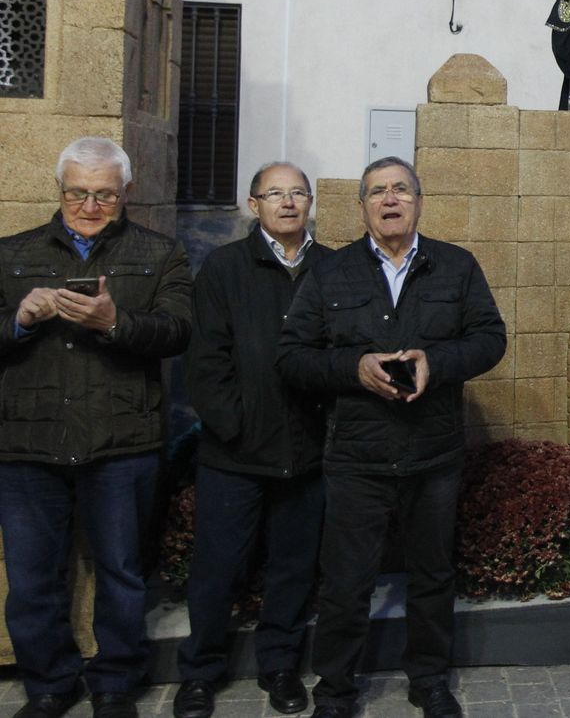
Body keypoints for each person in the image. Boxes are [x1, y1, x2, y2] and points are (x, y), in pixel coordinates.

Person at [277, 157, 505, 718]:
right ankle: (335, 690)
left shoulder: (455, 265)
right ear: (362, 206)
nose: (390, 199)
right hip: (358, 457)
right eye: (377, 191)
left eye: (401, 189)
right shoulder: (330, 273)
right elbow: (292, 357)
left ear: (418, 201)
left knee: (431, 576)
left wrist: (438, 362)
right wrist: (354, 367)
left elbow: (490, 338)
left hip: (434, 454)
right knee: (346, 583)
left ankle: (428, 681)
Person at [0, 137, 194, 718]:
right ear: (59, 191)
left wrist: (116, 322)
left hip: (121, 440)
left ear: (125, 192)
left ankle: (115, 683)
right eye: (78, 193)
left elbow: (180, 331)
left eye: (104, 195)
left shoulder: (160, 254)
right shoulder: (13, 252)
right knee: (33, 580)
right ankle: (50, 684)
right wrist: (19, 319)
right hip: (27, 441)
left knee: (121, 573)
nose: (89, 205)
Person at [174, 163, 332, 718]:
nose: (287, 203)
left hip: (308, 452)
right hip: (234, 453)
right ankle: (199, 673)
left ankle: (281, 666)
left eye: (297, 193)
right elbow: (205, 362)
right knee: (218, 566)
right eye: (274, 193)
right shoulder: (223, 267)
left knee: (293, 567)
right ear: (252, 202)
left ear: (310, 202)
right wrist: (235, 427)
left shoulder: (333, 268)